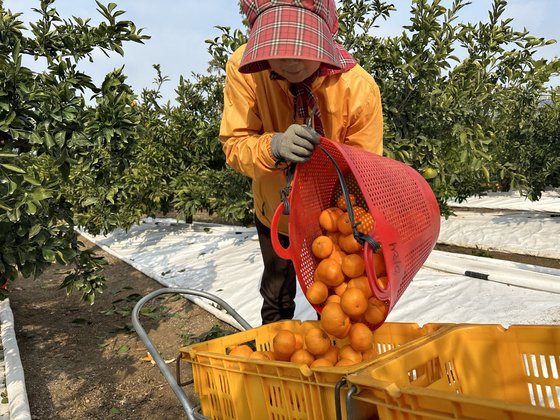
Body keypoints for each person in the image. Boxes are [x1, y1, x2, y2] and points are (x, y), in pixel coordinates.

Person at [219, 0, 383, 324]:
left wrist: (340, 213)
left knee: (340, 300)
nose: (291, 59)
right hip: (274, 212)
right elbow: (235, 144)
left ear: (325, 37)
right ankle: (278, 358)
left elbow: (364, 172)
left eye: (302, 45)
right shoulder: (245, 72)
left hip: (331, 221)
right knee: (277, 295)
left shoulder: (358, 90)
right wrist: (274, 146)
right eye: (278, 47)